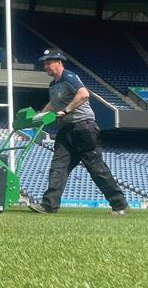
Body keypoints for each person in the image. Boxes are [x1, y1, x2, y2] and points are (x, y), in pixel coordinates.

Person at [29, 49, 129, 216]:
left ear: (59, 62)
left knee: (96, 168)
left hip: (84, 128)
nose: (45, 66)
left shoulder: (69, 76)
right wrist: (38, 116)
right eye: (44, 63)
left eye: (48, 63)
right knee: (58, 168)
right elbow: (53, 104)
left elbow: (84, 94)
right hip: (66, 130)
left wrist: (66, 110)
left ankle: (119, 204)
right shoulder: (53, 85)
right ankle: (49, 205)